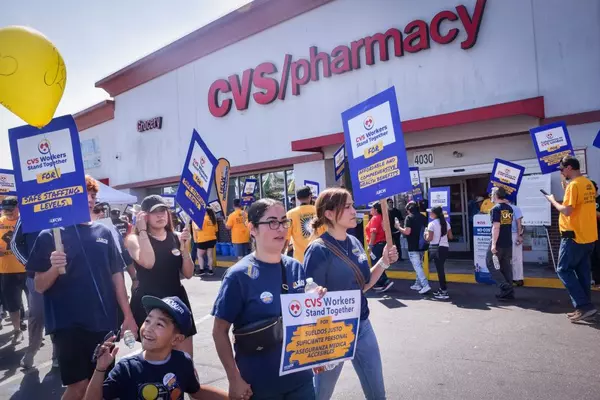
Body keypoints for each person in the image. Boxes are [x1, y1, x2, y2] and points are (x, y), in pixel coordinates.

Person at [26, 175, 138, 400]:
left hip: (103, 322)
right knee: (78, 387)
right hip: (68, 325)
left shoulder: (104, 233)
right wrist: (54, 269)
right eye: (83, 193)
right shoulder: (50, 235)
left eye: (93, 194)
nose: (89, 199)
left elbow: (117, 277)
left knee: (101, 384)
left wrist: (128, 316)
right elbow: (38, 286)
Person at [212, 198, 326, 400]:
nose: (281, 228)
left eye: (284, 221)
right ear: (252, 228)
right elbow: (219, 331)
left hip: (300, 379)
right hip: (259, 384)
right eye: (272, 222)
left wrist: (313, 352)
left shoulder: (294, 267)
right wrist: (234, 378)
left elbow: (298, 319)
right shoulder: (238, 275)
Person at [303, 188, 398, 400]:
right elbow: (307, 298)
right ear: (328, 214)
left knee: (377, 394)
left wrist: (383, 262)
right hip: (331, 332)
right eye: (347, 207)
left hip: (362, 326)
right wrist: (314, 294)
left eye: (353, 205)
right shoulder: (318, 250)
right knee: (320, 395)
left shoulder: (354, 242)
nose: (354, 210)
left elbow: (362, 286)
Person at [83, 295, 228, 400]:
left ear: (176, 339)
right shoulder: (127, 369)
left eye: (159, 324)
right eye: (147, 320)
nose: (148, 328)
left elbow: (196, 391)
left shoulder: (183, 362)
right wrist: (100, 369)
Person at [125, 195, 197, 356]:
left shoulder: (177, 237)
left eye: (163, 211)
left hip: (176, 300)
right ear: (143, 216)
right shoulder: (134, 239)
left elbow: (188, 273)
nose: (160, 215)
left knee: (185, 360)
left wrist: (185, 249)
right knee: (156, 360)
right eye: (154, 212)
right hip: (150, 302)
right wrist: (142, 230)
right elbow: (148, 262)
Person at [545, 156, 598, 321]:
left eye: (562, 169)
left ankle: (584, 306)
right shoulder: (587, 183)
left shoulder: (573, 186)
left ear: (568, 168)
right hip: (588, 236)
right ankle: (584, 309)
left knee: (563, 270)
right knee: (582, 272)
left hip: (573, 236)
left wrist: (553, 200)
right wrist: (566, 186)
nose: (561, 172)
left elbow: (567, 211)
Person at [11, 215, 59, 369]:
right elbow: (14, 244)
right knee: (37, 315)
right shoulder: (27, 212)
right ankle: (31, 351)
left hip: (62, 274)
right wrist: (30, 263)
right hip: (35, 275)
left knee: (58, 313)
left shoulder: (63, 209)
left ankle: (57, 355)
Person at [0, 196, 27, 344]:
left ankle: (36, 332)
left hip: (27, 269)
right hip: (6, 270)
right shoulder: (0, 221)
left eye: (10, 210)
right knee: (12, 304)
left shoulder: (25, 221)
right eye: (5, 210)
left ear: (18, 207)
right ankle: (17, 330)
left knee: (34, 305)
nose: (7, 213)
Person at [486, 187, 515, 301]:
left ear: (496, 195)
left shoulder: (496, 209)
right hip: (507, 242)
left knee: (490, 264)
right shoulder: (509, 208)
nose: (491, 196)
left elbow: (496, 227)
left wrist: (493, 244)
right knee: (505, 267)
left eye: (492, 194)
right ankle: (508, 292)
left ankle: (505, 286)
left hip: (498, 242)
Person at [398, 201, 431, 294]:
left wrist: (398, 227)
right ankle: (417, 284)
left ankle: (425, 285)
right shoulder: (423, 217)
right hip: (422, 245)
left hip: (413, 246)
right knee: (419, 265)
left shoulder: (409, 218)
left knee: (417, 266)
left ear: (408, 210)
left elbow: (407, 232)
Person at [283, 186, 321, 263]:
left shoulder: (290, 214)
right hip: (320, 257)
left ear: (298, 198)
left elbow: (286, 237)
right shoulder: (319, 212)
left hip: (300, 259)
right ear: (310, 196)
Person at [425, 206, 453, 300]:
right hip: (445, 248)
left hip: (436, 249)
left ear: (434, 214)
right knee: (440, 269)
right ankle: (442, 289)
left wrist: (425, 235)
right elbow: (451, 237)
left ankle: (444, 291)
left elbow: (430, 238)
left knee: (440, 270)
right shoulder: (446, 223)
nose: (430, 214)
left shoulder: (431, 224)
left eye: (431, 213)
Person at [367, 202, 394, 293]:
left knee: (376, 263)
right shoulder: (383, 218)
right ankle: (382, 281)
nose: (370, 210)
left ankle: (382, 282)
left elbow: (373, 233)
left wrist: (370, 245)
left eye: (372, 208)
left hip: (376, 244)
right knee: (380, 262)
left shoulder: (375, 218)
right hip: (381, 243)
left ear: (376, 210)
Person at [192, 208, 218, 276]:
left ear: (206, 212)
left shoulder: (202, 219)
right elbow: (216, 230)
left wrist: (194, 223)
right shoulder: (213, 219)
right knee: (210, 255)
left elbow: (198, 228)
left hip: (202, 239)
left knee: (200, 255)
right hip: (212, 239)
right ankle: (210, 270)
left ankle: (201, 270)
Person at [510, 201, 525, 287]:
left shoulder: (514, 208)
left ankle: (517, 278)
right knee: (515, 257)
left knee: (515, 257)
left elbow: (519, 222)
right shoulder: (515, 208)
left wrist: (519, 235)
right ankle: (516, 278)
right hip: (511, 234)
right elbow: (519, 222)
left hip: (513, 234)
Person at [592, 181, 600, 288]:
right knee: (592, 256)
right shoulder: (586, 201)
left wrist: (592, 210)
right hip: (590, 232)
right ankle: (596, 280)